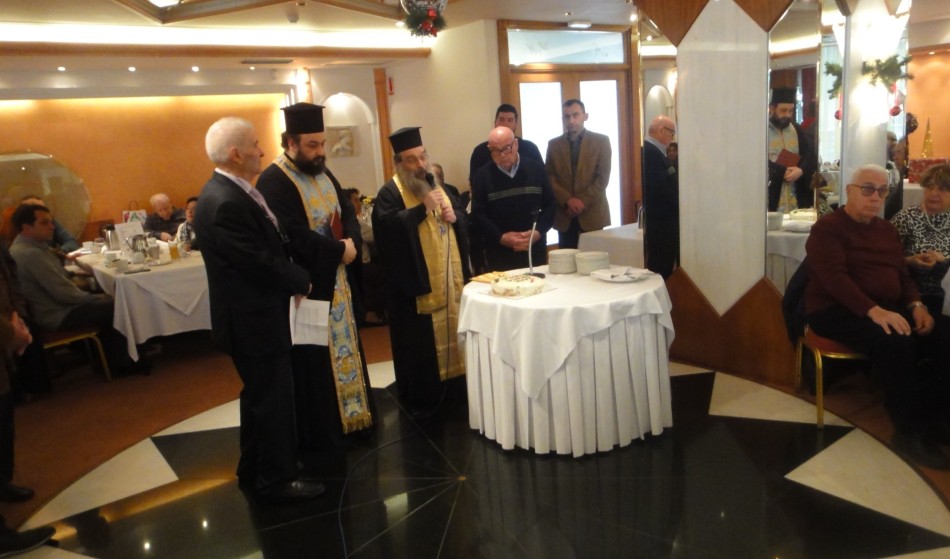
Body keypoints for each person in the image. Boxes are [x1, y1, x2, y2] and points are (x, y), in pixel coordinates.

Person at [194, 116, 323, 503]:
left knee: (258, 397)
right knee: (273, 401)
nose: (262, 151)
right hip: (253, 320)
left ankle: (252, 467)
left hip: (253, 316)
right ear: (236, 154)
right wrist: (301, 279)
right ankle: (279, 479)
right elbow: (258, 261)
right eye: (255, 144)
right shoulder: (225, 202)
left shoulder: (229, 191)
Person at [805, 164, 949, 470]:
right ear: (849, 191)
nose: (875, 197)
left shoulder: (885, 230)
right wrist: (874, 310)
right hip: (834, 309)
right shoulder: (827, 229)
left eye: (882, 191)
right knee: (895, 340)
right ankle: (908, 434)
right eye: (867, 189)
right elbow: (835, 280)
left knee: (944, 332)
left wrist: (916, 305)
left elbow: (902, 275)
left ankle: (937, 421)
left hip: (883, 306)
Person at [256, 102, 374, 447]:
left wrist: (351, 241)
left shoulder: (323, 171)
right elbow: (292, 234)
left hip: (339, 281)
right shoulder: (274, 180)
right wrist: (339, 250)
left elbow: (347, 211)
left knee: (347, 350)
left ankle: (357, 422)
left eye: (322, 143)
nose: (321, 151)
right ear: (291, 143)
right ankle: (326, 432)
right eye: (312, 145)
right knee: (315, 363)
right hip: (309, 285)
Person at [371, 127, 471, 413]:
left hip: (451, 284)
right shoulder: (390, 193)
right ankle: (426, 399)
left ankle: (457, 392)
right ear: (398, 163)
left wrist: (455, 217)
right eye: (412, 159)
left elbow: (462, 218)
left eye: (423, 157)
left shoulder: (438, 185)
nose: (420, 165)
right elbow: (386, 233)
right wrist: (420, 210)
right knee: (422, 349)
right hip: (417, 291)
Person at [9, 203, 140, 372]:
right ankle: (122, 363)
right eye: (45, 222)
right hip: (56, 314)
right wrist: (97, 297)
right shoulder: (30, 254)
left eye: (51, 221)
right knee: (117, 304)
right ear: (27, 227)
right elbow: (65, 294)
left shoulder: (33, 247)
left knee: (108, 297)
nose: (52, 226)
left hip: (55, 308)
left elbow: (60, 281)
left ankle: (113, 356)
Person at [890, 163, 950, 409]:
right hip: (911, 294)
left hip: (946, 296)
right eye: (930, 187)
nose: (934, 193)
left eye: (943, 189)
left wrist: (945, 259)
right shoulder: (906, 218)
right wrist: (911, 260)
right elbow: (886, 258)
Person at [471, 126, 555, 272]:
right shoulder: (482, 177)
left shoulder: (536, 169)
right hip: (499, 252)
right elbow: (479, 215)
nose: (502, 155)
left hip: (534, 248)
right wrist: (501, 237)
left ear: (515, 144)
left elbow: (551, 205)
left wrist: (537, 233)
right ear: (489, 149)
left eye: (507, 148)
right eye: (496, 151)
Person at [545, 98, 612, 249]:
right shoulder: (553, 144)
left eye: (575, 115)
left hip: (592, 212)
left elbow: (602, 178)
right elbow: (549, 176)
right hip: (565, 213)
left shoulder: (601, 141)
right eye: (567, 116)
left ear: (585, 116)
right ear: (563, 119)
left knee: (594, 259)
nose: (571, 120)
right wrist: (568, 200)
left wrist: (581, 202)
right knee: (566, 259)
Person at [642, 115, 680, 279]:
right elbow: (660, 188)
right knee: (661, 269)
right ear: (661, 130)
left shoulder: (656, 152)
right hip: (661, 222)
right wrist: (681, 205)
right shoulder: (650, 153)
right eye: (672, 132)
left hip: (664, 222)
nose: (672, 137)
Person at [468, 103, 544, 185]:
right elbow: (474, 183)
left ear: (516, 124)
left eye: (510, 120)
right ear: (495, 122)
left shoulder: (530, 148)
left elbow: (542, 176)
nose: (505, 124)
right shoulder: (480, 151)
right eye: (501, 119)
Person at [767, 87, 816, 213]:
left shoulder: (797, 130)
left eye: (791, 111)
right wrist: (780, 172)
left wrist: (801, 170)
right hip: (770, 193)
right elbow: (756, 160)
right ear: (772, 108)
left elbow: (809, 156)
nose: (788, 115)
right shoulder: (762, 130)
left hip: (795, 194)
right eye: (783, 110)